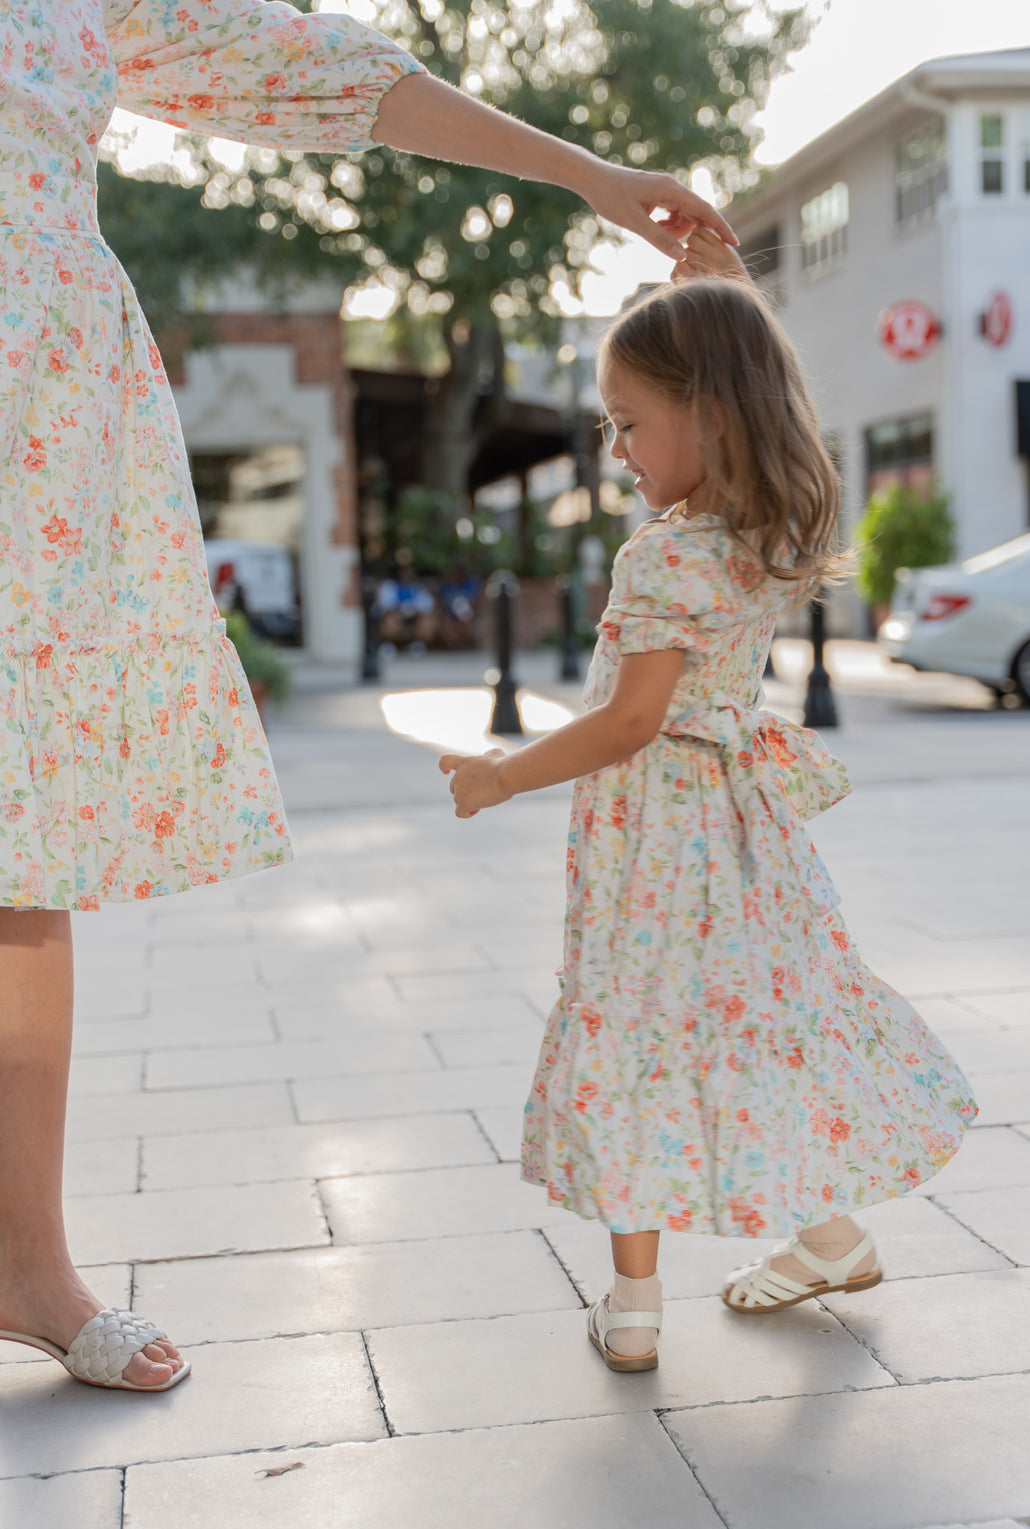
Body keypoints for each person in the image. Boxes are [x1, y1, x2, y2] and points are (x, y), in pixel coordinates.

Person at [0, 1, 735, 1393]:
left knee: (23, 842)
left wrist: (583, 171)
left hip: (42, 425)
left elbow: (313, 68)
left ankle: (24, 1260)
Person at [441, 240, 978, 1373]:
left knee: (633, 1028)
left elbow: (632, 721)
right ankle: (828, 1238)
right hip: (737, 839)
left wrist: (501, 773)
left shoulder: (664, 560)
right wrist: (724, 283)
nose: (615, 445)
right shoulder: (762, 538)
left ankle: (632, 1309)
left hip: (656, 839)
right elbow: (743, 365)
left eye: (630, 421)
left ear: (713, 416)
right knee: (744, 1030)